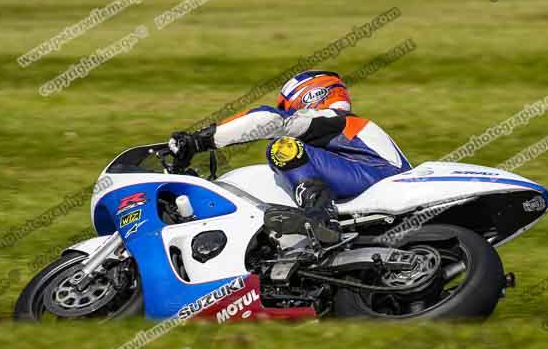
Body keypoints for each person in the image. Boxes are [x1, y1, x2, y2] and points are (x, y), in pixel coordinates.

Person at [168, 71, 412, 244]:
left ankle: (320, 218)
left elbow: (267, 120)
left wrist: (199, 141)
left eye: (288, 107)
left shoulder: (335, 120)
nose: (289, 112)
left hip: (376, 175)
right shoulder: (342, 129)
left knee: (283, 147)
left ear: (310, 96)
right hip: (376, 177)